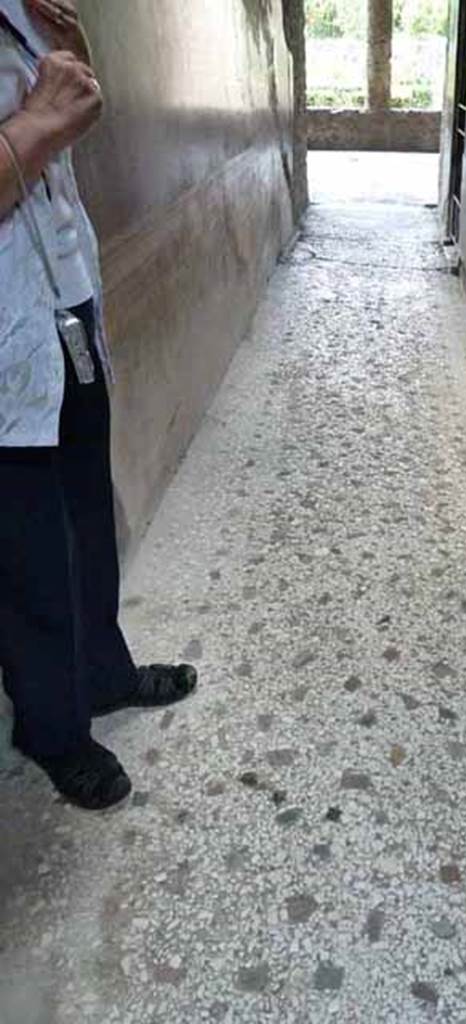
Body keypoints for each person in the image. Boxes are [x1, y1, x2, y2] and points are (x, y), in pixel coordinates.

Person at [0, 0, 197, 810]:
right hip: (5, 337)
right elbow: (43, 126)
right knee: (30, 553)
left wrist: (69, 51)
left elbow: (75, 104)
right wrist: (34, 127)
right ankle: (51, 728)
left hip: (63, 303)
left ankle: (103, 673)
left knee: (86, 508)